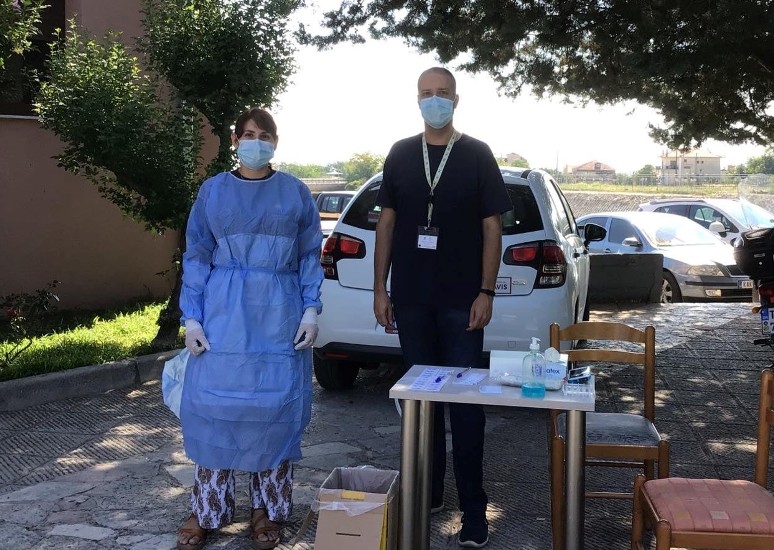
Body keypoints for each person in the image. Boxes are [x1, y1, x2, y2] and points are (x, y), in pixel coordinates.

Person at [373, 67, 511, 548]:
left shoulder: (477, 154)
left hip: (462, 302)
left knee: (466, 408)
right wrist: (380, 290)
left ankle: (474, 510)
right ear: (417, 99)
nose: (435, 101)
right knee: (421, 404)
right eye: (427, 94)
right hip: (411, 300)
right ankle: (428, 494)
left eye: (443, 94)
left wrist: (486, 291)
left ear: (456, 99)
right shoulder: (400, 153)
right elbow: (386, 224)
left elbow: (493, 228)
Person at [175, 107, 323, 550]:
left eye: (265, 135)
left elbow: (309, 255)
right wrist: (192, 316)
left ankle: (267, 511)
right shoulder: (213, 191)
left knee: (273, 411)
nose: (257, 142)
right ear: (235, 140)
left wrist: (311, 309)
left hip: (279, 313)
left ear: (275, 142)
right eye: (249, 134)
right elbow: (197, 254)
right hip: (222, 314)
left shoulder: (295, 193)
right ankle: (208, 509)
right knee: (215, 410)